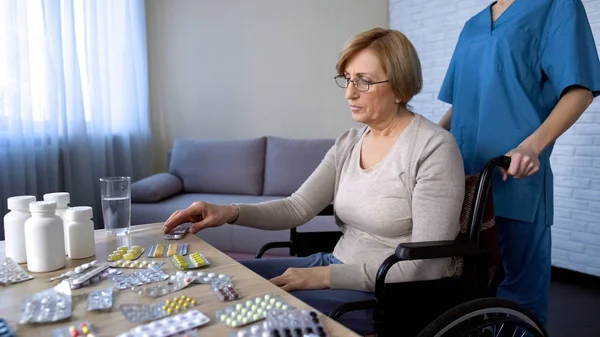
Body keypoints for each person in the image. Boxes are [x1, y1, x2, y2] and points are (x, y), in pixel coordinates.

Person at [163, 28, 466, 335]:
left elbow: (427, 266)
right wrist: (229, 212)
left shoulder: (433, 148)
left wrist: (324, 278)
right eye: (347, 78)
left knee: (249, 308)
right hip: (333, 264)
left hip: (388, 295)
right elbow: (298, 206)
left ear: (401, 89)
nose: (349, 92)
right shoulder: (349, 142)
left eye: (364, 80)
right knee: (223, 278)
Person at [437, 0, 600, 327]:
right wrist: (424, 142)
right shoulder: (473, 25)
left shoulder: (557, 6)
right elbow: (460, 104)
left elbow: (580, 90)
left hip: (515, 178)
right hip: (462, 182)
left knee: (518, 301)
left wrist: (532, 146)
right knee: (462, 292)